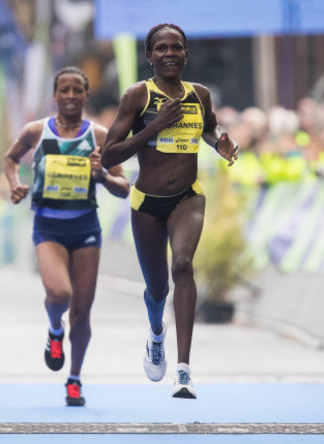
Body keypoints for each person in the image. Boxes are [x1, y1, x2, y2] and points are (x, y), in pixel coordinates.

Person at [101, 24, 239, 399]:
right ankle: (156, 333)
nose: (169, 53)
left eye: (176, 47)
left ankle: (183, 370)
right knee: (157, 288)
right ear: (149, 57)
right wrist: (155, 127)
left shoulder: (200, 95)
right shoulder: (137, 97)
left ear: (186, 54)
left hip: (187, 198)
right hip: (146, 204)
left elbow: (210, 130)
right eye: (161, 48)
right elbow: (109, 155)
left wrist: (221, 143)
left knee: (183, 266)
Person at [3, 66, 130, 406]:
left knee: (83, 312)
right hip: (48, 227)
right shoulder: (36, 131)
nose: (71, 96)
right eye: (65, 90)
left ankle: (74, 379)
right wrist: (15, 185)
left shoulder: (101, 136)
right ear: (55, 95)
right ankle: (54, 328)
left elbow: (124, 187)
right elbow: (11, 158)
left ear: (86, 95)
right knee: (59, 293)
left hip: (86, 227)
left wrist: (101, 175)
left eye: (78, 90)